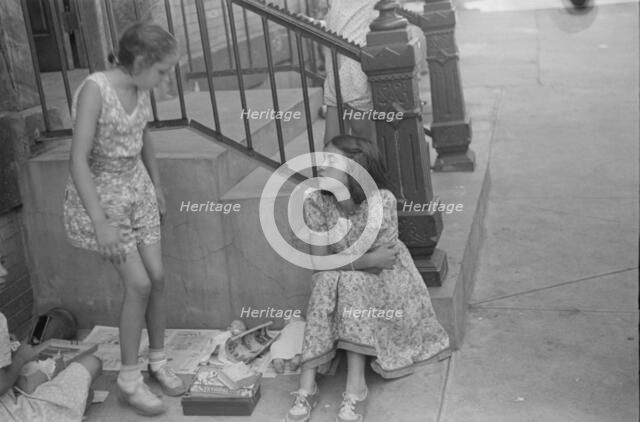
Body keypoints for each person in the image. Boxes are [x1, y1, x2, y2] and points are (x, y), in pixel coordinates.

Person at [63, 22, 185, 415]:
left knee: (158, 277)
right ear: (141, 62)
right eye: (163, 71)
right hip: (104, 200)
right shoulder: (96, 90)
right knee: (139, 284)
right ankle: (129, 380)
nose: (166, 79)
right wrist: (100, 221)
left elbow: (142, 136)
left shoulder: (139, 86)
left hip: (138, 192)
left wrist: (159, 186)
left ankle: (159, 361)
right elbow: (77, 158)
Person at [284, 135, 450, 422]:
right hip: (343, 278)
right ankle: (306, 386)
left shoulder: (381, 201)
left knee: (346, 282)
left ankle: (356, 387)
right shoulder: (316, 201)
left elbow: (381, 263)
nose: (320, 166)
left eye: (330, 161)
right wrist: (365, 259)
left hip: (388, 282)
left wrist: (355, 263)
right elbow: (318, 264)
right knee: (327, 282)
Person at [0, 260, 103, 421]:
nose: (4, 272)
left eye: (2, 261)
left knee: (78, 389)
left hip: (16, 391)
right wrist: (20, 358)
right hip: (14, 414)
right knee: (91, 366)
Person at [322, 0, 378, 144]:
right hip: (335, 62)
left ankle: (370, 166)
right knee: (332, 141)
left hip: (354, 61)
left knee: (362, 137)